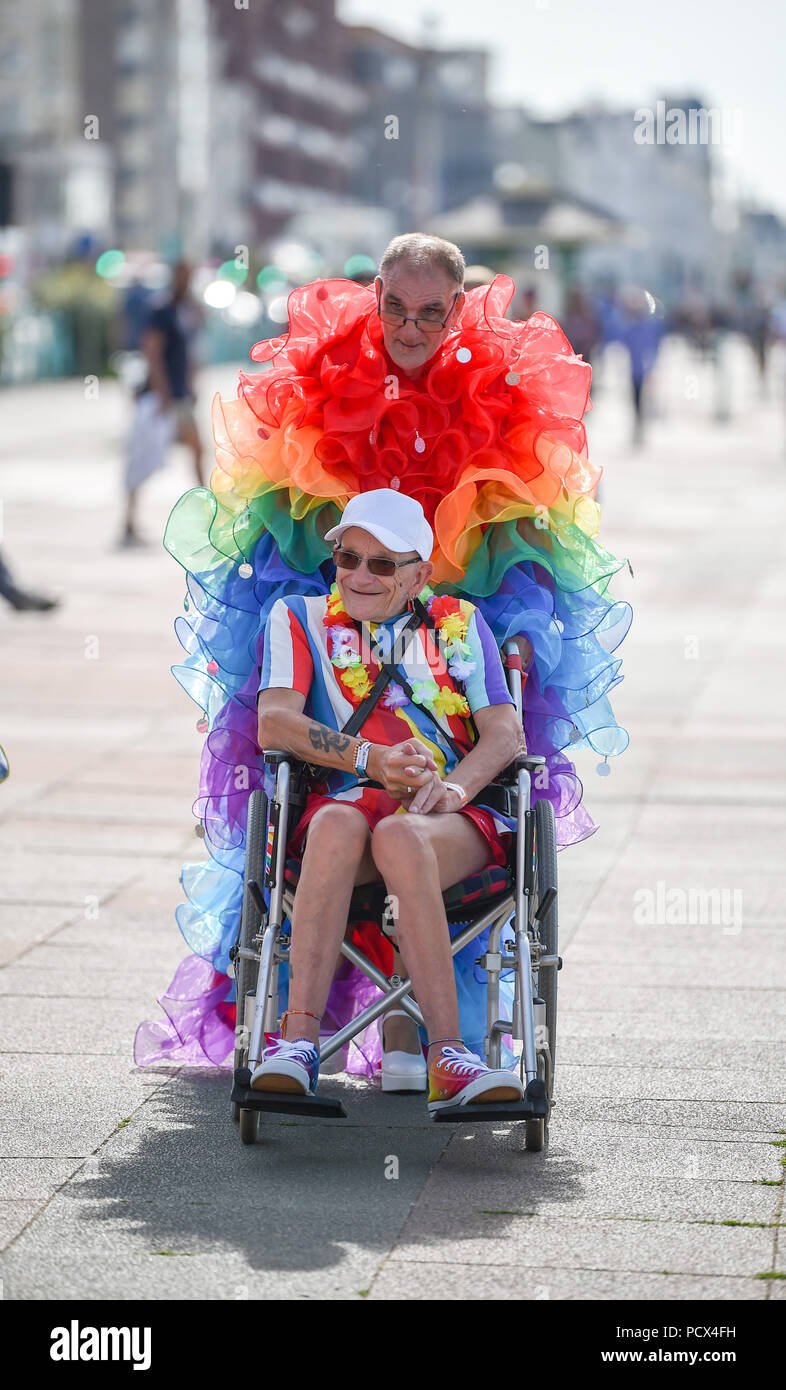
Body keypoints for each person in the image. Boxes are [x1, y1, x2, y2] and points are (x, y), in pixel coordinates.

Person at [134, 233, 631, 1076]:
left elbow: (522, 537)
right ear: (374, 297)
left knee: (419, 811)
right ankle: (306, 1031)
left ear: (458, 308)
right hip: (344, 642)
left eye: (430, 313)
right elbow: (285, 525)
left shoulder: (497, 392)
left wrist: (472, 628)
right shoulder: (326, 380)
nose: (409, 328)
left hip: (449, 629)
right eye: (394, 308)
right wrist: (345, 596)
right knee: (327, 807)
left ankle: (418, 1037)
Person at [253, 489, 526, 1110]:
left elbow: (505, 733)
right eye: (348, 558)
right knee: (336, 825)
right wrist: (371, 761)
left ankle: (448, 1056)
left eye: (381, 564)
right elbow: (274, 722)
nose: (359, 576)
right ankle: (297, 1046)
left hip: (444, 817)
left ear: (420, 577)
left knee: (402, 835)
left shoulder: (460, 623)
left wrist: (454, 789)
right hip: (349, 805)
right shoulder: (297, 617)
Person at [120, 260, 205, 546]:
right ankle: (128, 522)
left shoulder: (185, 311)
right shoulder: (161, 311)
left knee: (197, 451)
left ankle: (207, 514)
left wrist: (190, 386)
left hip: (178, 396)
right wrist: (163, 393)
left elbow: (189, 354)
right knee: (141, 461)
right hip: (162, 399)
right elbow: (152, 352)